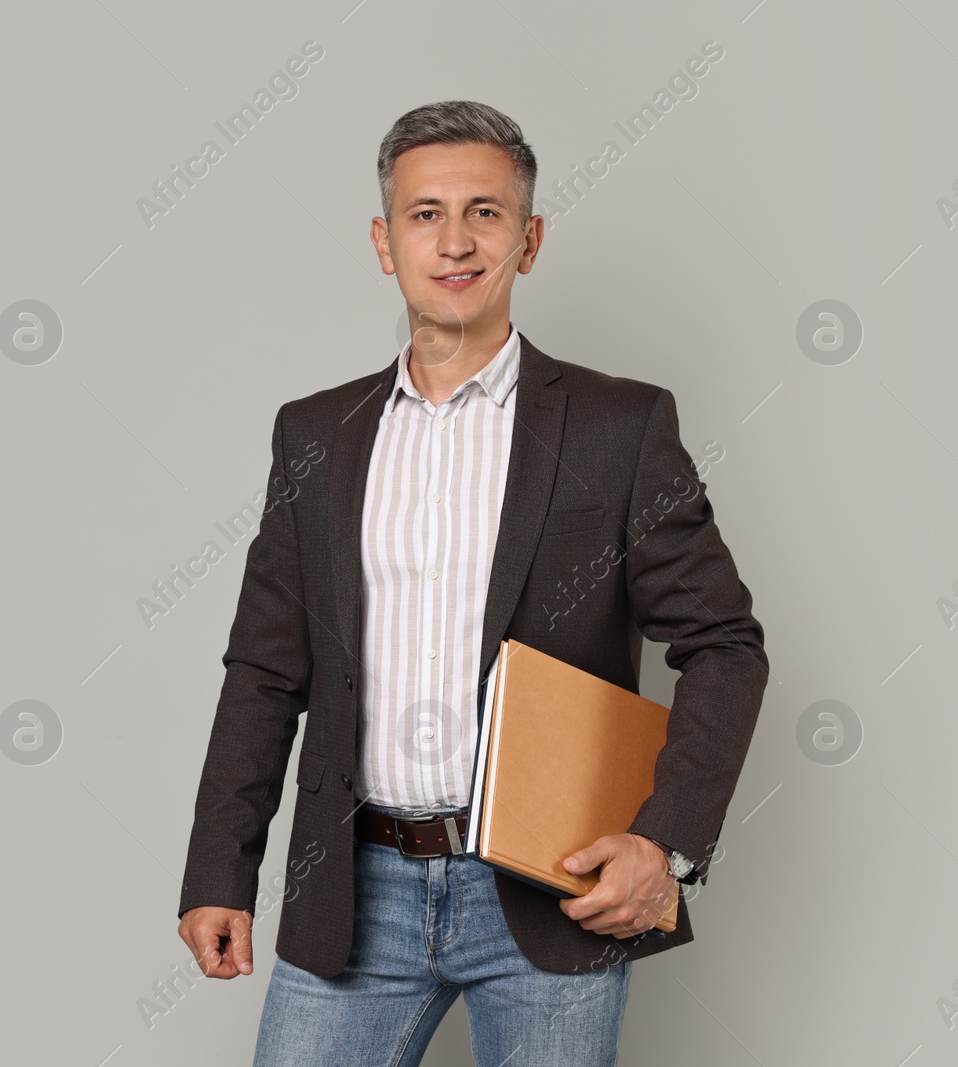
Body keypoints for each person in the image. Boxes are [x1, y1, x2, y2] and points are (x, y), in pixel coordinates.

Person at [176, 100, 769, 1066]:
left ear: (528, 240)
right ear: (384, 240)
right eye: (425, 214)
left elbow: (724, 648)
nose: (455, 241)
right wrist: (219, 870)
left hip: (544, 888)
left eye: (485, 213)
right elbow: (264, 670)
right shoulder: (315, 436)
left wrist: (664, 843)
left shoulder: (620, 428)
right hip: (353, 892)